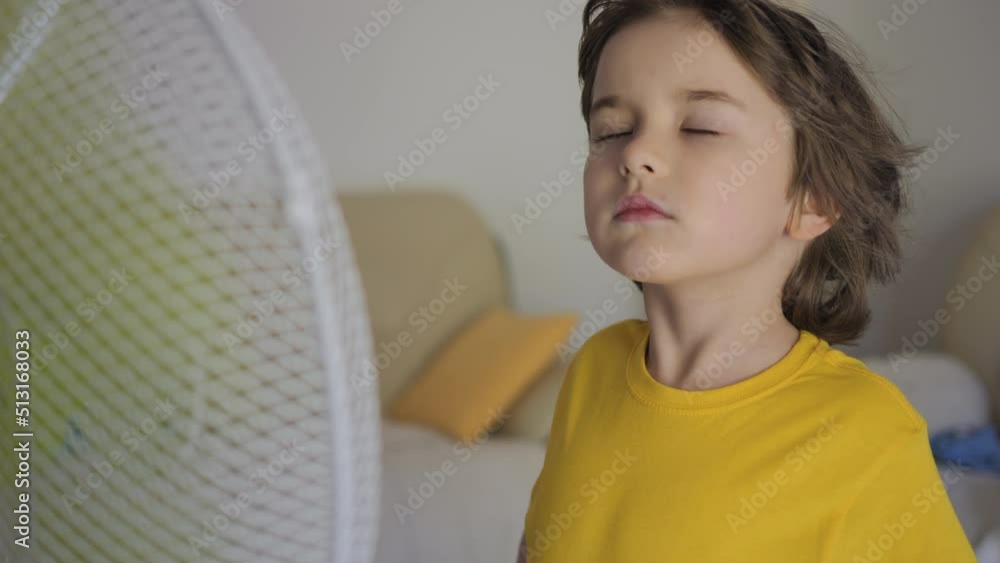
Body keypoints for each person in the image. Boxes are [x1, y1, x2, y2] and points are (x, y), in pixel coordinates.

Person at [516, 0, 979, 561]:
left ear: (814, 199)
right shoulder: (592, 370)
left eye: (700, 126)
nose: (635, 153)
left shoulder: (865, 434)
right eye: (611, 129)